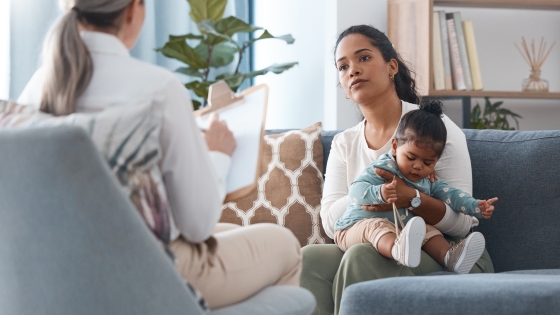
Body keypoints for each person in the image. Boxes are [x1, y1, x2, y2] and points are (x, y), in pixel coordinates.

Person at [17, 0, 301, 310]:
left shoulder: (35, 91)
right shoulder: (158, 88)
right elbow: (197, 226)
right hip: (147, 272)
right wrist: (217, 153)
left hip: (60, 272)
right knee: (285, 245)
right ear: (132, 11)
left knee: (233, 232)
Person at [300, 24, 494, 315]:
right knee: (308, 259)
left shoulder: (433, 129)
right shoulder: (345, 143)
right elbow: (330, 222)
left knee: (361, 256)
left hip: (446, 251)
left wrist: (412, 199)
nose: (352, 70)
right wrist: (373, 187)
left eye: (363, 58)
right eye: (343, 66)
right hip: (376, 238)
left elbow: (463, 223)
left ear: (392, 67)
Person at [334, 99, 498, 274]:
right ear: (395, 146)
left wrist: (475, 205)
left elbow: (452, 194)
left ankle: (450, 258)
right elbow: (355, 190)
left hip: (399, 230)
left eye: (428, 162)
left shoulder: (426, 180)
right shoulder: (384, 168)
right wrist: (380, 192)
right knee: (377, 226)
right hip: (354, 228)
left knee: (428, 230)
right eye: (411, 158)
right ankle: (397, 250)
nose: (418, 166)